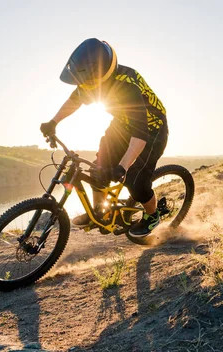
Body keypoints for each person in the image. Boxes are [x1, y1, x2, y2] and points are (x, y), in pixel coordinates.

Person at [40, 38, 169, 238]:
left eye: (88, 82)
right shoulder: (93, 80)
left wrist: (122, 167)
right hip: (123, 124)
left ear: (103, 75)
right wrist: (53, 122)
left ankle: (153, 216)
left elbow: (140, 136)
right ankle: (100, 212)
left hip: (151, 130)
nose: (84, 86)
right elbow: (74, 101)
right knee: (97, 168)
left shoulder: (127, 87)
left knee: (135, 181)